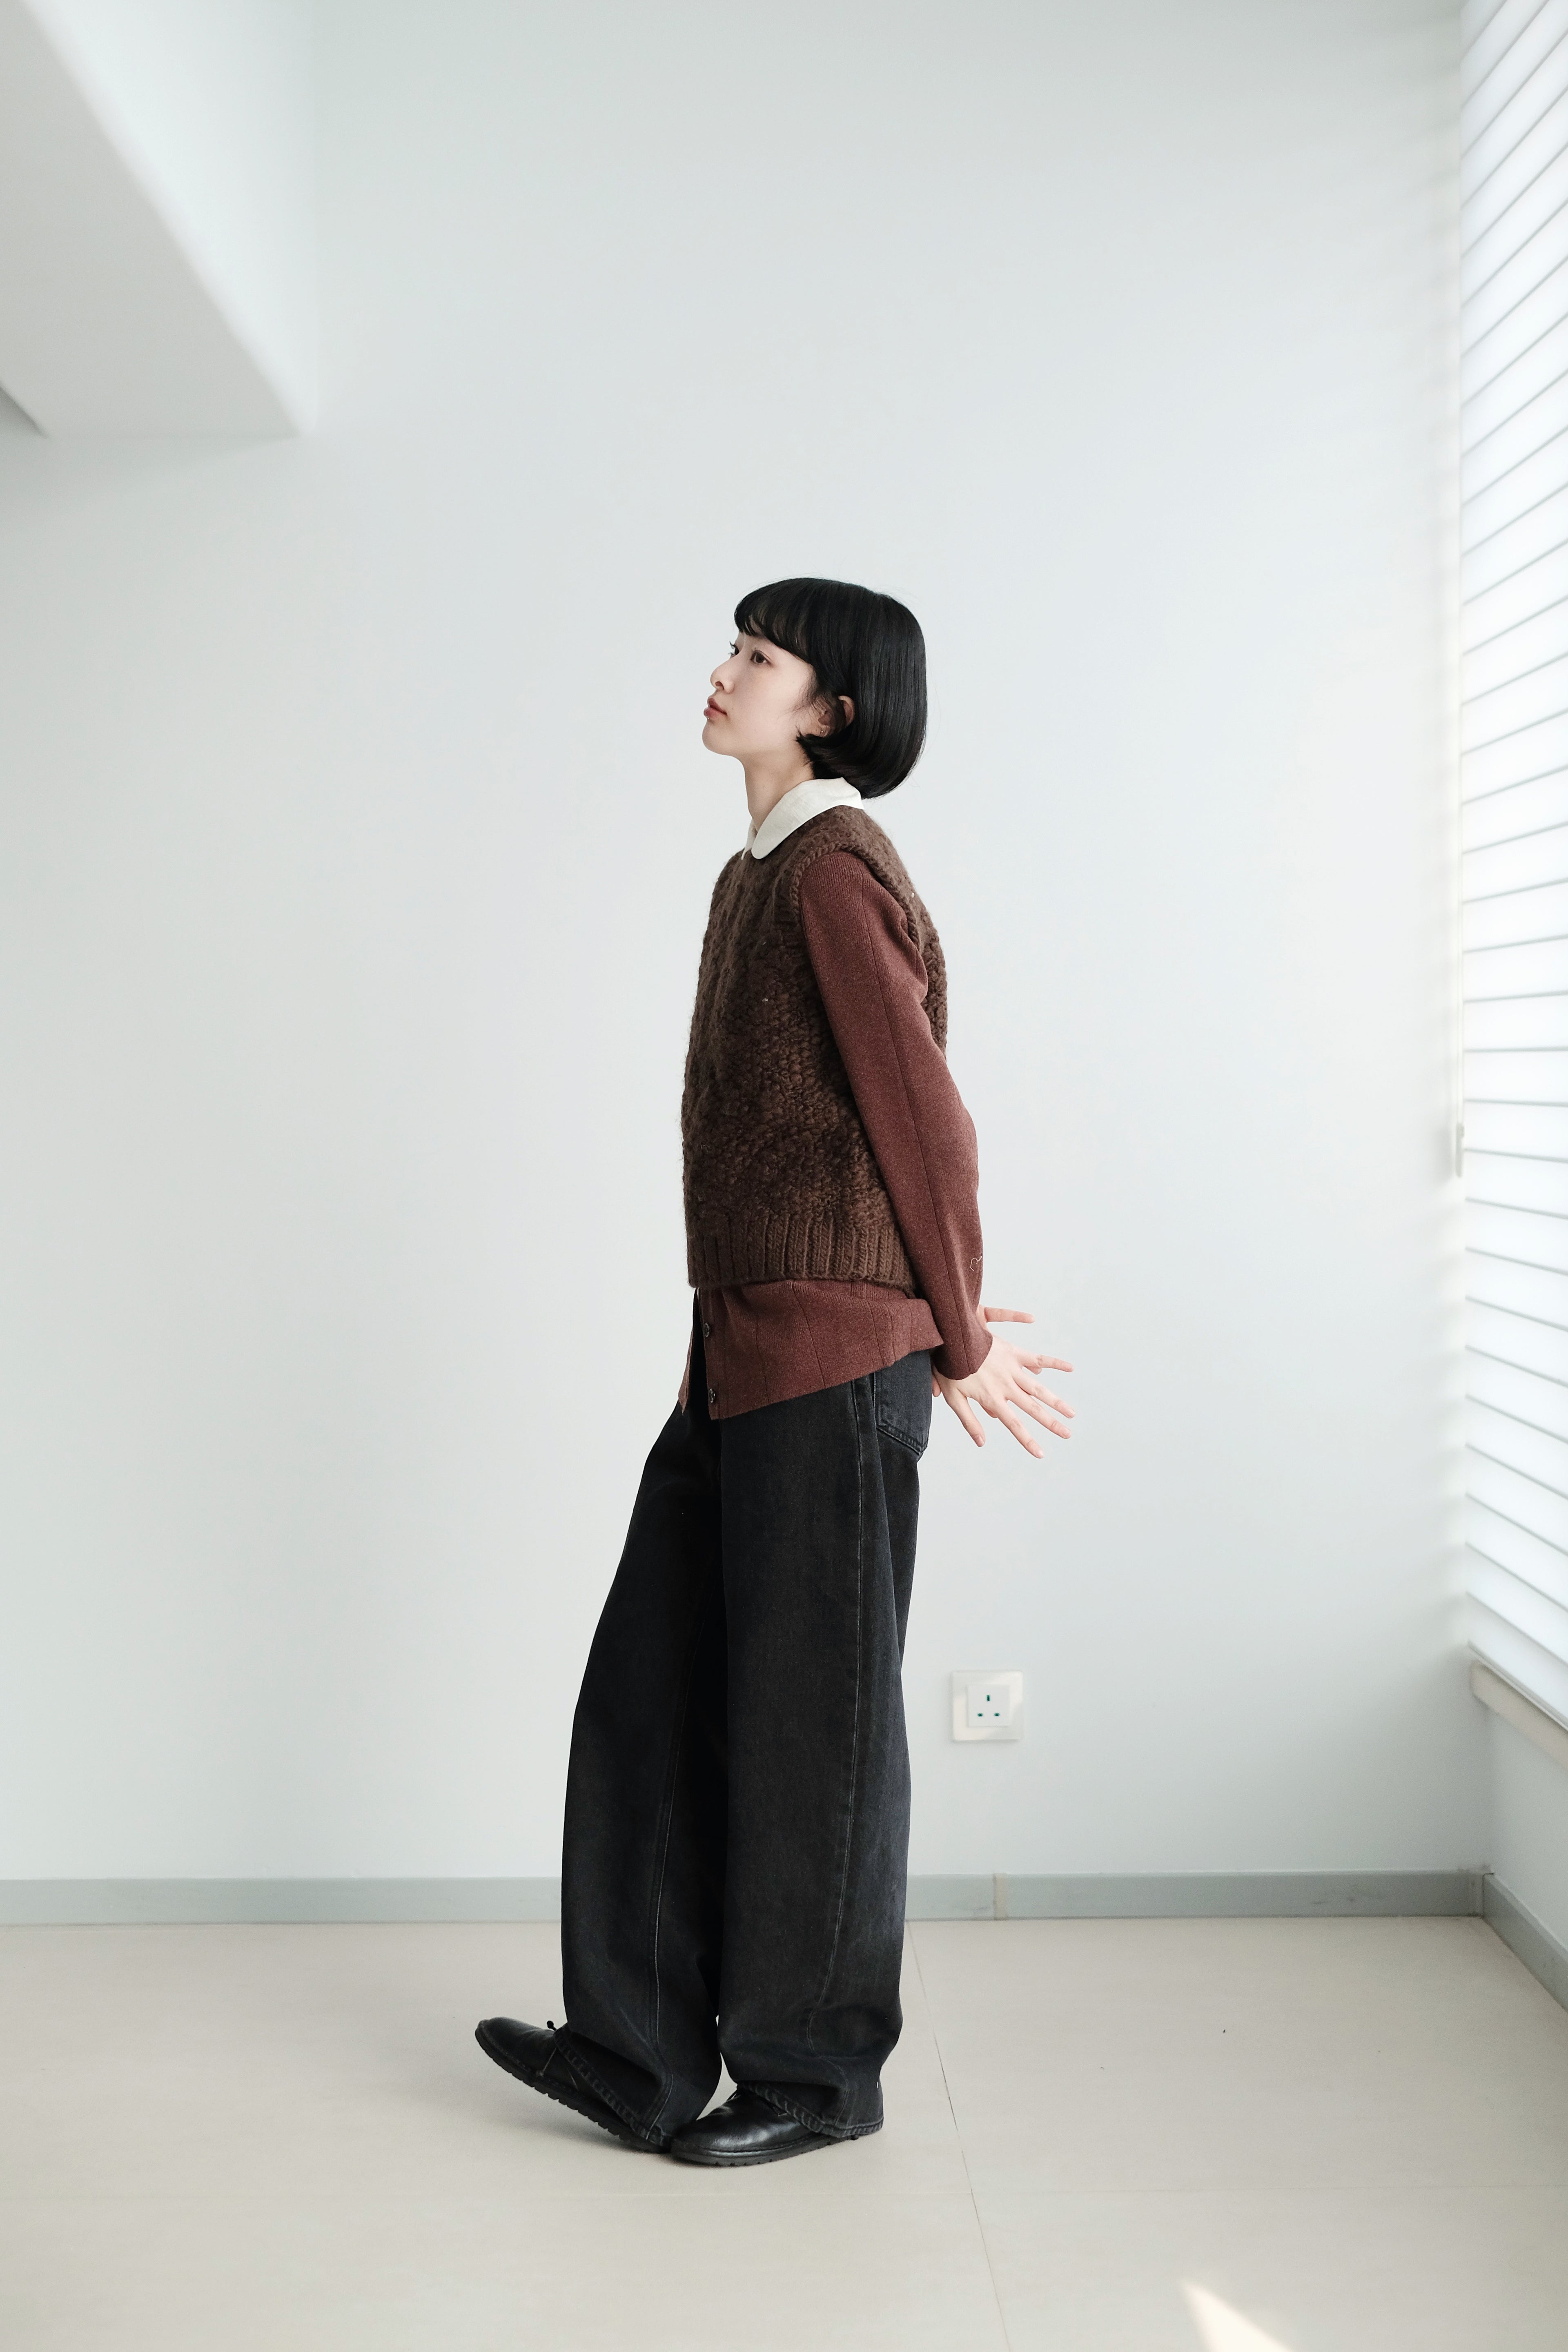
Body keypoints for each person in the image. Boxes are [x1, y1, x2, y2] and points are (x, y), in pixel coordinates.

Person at [477, 577, 1073, 2165]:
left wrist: (956, 1334)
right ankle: (638, 2054)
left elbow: (925, 1120)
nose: (725, 671)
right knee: (653, 1692)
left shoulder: (833, 871)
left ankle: (813, 2078)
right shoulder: (758, 872)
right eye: (733, 646)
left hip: (830, 1360)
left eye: (760, 655)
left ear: (833, 709)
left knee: (817, 1731)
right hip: (737, 1354)